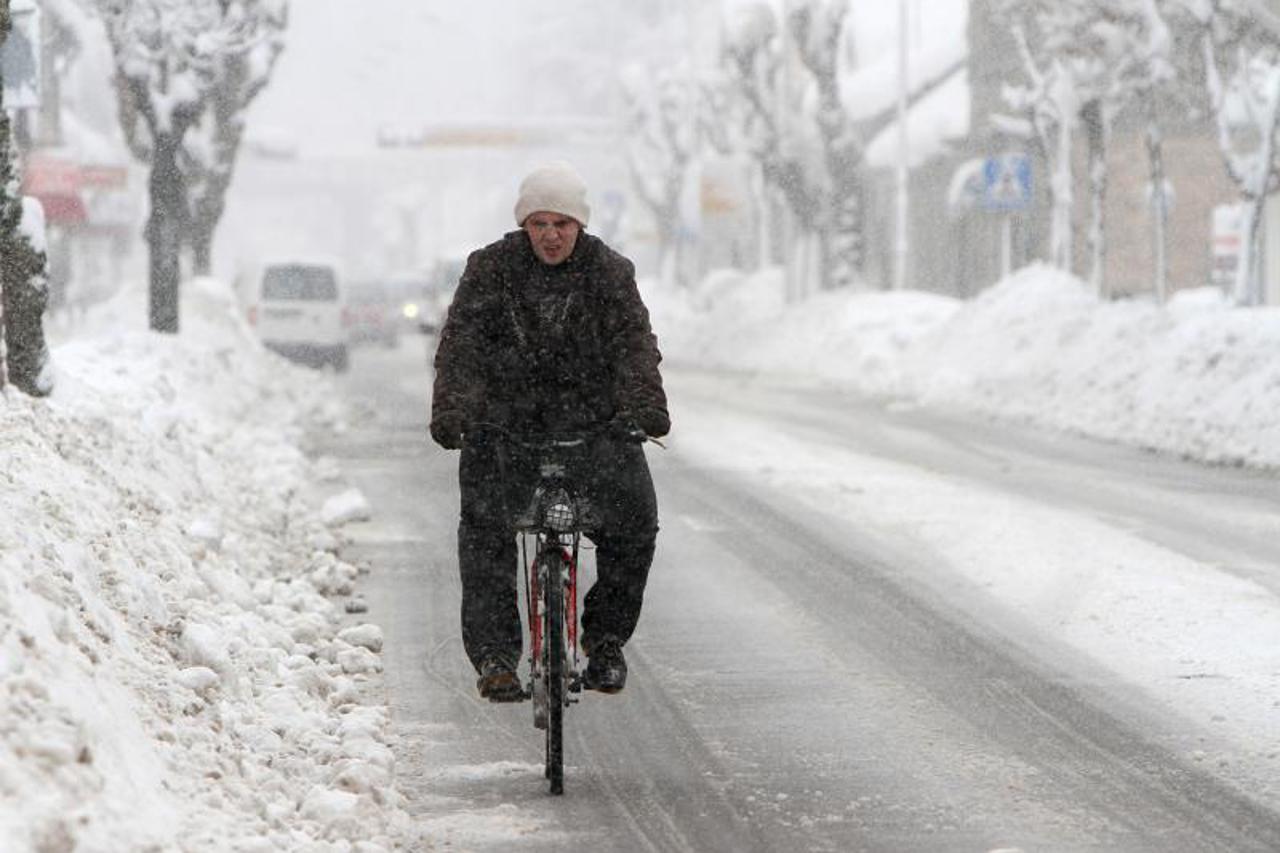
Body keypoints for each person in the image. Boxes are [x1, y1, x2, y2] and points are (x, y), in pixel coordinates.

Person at [429, 162, 669, 702]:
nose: (551, 235)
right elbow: (461, 345)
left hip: (594, 427)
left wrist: (644, 407)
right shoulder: (490, 270)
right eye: (539, 224)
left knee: (635, 524)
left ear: (579, 225)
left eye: (562, 223)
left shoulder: (609, 272)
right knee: (485, 531)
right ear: (524, 226)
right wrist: (454, 409)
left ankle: (605, 640)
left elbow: (635, 345)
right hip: (505, 428)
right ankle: (495, 656)